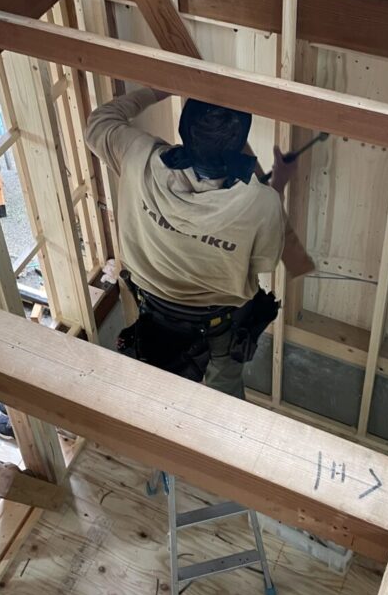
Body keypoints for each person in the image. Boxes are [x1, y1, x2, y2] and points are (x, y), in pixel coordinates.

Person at [85, 87, 295, 399]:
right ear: (240, 146)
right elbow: (263, 263)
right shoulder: (262, 203)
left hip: (153, 310)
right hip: (219, 326)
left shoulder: (138, 156)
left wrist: (158, 90)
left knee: (153, 392)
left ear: (184, 129)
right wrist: (278, 183)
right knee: (224, 401)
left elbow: (99, 121)